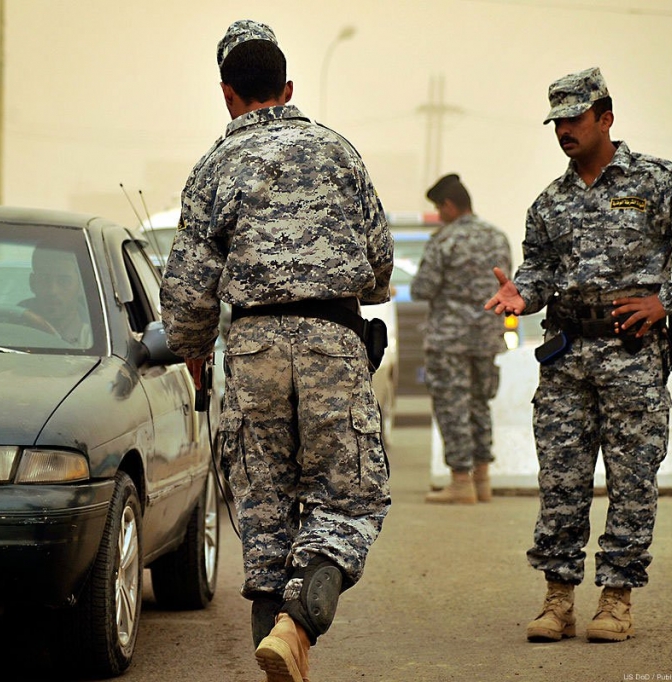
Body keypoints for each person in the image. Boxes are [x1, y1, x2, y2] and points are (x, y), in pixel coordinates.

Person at [160, 20, 392, 682]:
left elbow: (187, 299)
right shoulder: (338, 152)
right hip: (331, 341)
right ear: (287, 89)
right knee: (346, 496)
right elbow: (379, 269)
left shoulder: (213, 166)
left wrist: (194, 348)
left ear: (228, 94)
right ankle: (299, 623)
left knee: (263, 509)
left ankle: (280, 644)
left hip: (255, 346)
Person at [485, 67, 672, 644]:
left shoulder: (658, 182)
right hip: (565, 359)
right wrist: (522, 295)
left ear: (605, 118)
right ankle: (557, 601)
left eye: (574, 118)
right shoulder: (549, 203)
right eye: (556, 121)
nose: (563, 130)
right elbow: (536, 269)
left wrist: (669, 299)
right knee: (561, 481)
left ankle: (616, 600)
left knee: (632, 481)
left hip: (632, 356)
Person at [413, 174, 512, 504]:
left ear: (450, 205)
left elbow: (423, 288)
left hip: (449, 339)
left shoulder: (445, 240)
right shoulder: (497, 237)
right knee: (479, 404)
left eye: (440, 209)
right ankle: (483, 481)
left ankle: (460, 482)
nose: (440, 215)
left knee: (452, 406)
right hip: (486, 336)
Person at [20, 246, 92, 347]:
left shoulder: (97, 343)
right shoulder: (10, 332)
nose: (53, 290)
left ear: (81, 286)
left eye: (64, 281)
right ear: (33, 283)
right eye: (44, 279)